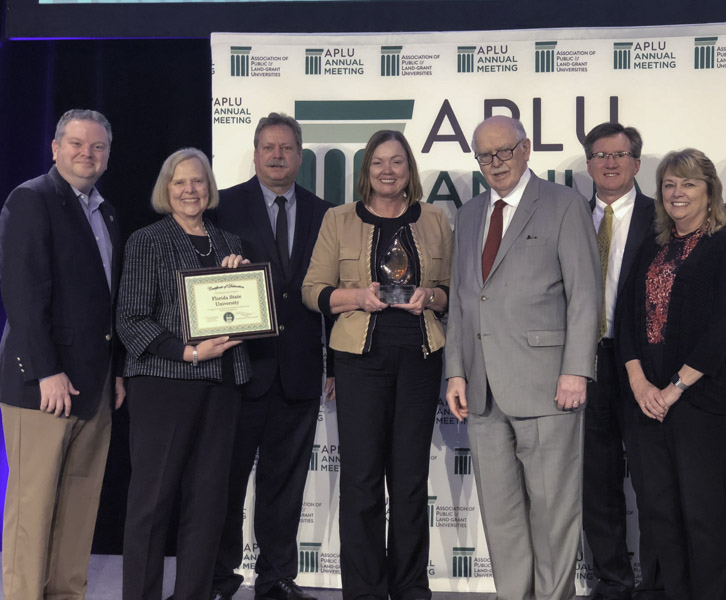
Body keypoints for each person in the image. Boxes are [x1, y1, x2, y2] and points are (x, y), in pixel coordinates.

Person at [444, 115, 601, 600]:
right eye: (485, 156)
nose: (495, 164)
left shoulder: (563, 204)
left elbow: (585, 294)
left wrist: (576, 369)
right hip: (482, 387)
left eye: (504, 152)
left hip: (547, 383)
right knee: (501, 511)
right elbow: (463, 300)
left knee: (553, 511)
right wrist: (455, 371)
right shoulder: (469, 213)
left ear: (526, 148)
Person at [302, 130, 451, 600]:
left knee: (409, 480)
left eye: (397, 162)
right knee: (363, 480)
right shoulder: (338, 219)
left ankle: (410, 588)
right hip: (358, 362)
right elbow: (313, 291)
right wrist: (357, 297)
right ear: (366, 170)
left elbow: (451, 292)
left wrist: (431, 296)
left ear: (410, 170)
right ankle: (364, 591)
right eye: (379, 163)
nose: (388, 171)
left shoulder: (435, 219)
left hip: (420, 360)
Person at [0, 108, 125, 600]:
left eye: (97, 147)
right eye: (76, 144)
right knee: (31, 509)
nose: (86, 154)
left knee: (78, 504)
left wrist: (114, 373)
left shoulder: (106, 212)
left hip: (93, 387)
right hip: (43, 387)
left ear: (108, 155)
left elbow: (104, 303)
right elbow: (23, 294)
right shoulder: (32, 199)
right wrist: (46, 370)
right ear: (55, 148)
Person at [117, 148, 251, 600]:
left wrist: (245, 283)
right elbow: (131, 319)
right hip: (164, 383)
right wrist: (188, 352)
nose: (190, 190)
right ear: (166, 190)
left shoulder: (230, 243)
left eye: (197, 181)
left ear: (209, 188)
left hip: (223, 385)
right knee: (152, 504)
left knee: (208, 504)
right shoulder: (147, 240)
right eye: (180, 182)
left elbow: (244, 316)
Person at [617, 148, 726, 600]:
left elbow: (723, 327)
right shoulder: (653, 244)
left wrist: (673, 389)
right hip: (646, 402)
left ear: (709, 190)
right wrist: (639, 383)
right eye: (670, 184)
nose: (677, 193)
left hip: (700, 401)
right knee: (659, 511)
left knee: (703, 513)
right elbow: (626, 316)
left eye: (689, 184)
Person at [213, 112, 332, 600]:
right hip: (240, 371)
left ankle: (278, 578)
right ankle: (219, 577)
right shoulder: (223, 206)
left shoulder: (326, 212)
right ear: (256, 153)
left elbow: (332, 293)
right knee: (225, 483)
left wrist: (332, 364)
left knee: (285, 487)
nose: (278, 155)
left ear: (299, 155)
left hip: (301, 373)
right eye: (269, 147)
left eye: (286, 148)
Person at [581, 122, 663, 600]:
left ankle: (657, 583)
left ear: (637, 162)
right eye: (600, 154)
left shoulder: (662, 218)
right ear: (589, 163)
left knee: (653, 481)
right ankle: (611, 582)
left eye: (620, 154)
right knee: (597, 480)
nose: (610, 163)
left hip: (645, 369)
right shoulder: (570, 215)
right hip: (585, 364)